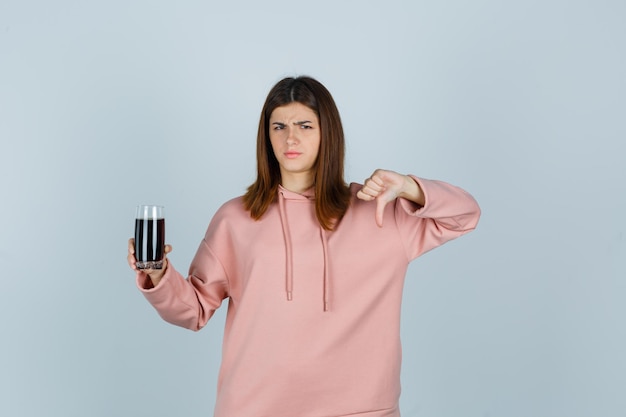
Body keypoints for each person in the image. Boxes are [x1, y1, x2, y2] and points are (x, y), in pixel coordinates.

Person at [127, 75, 480, 417]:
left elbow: (464, 215)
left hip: (363, 410)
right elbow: (193, 311)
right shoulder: (236, 218)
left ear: (329, 133)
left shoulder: (380, 209)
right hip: (255, 408)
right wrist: (159, 276)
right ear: (267, 136)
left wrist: (408, 186)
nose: (290, 137)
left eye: (304, 125)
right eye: (279, 126)